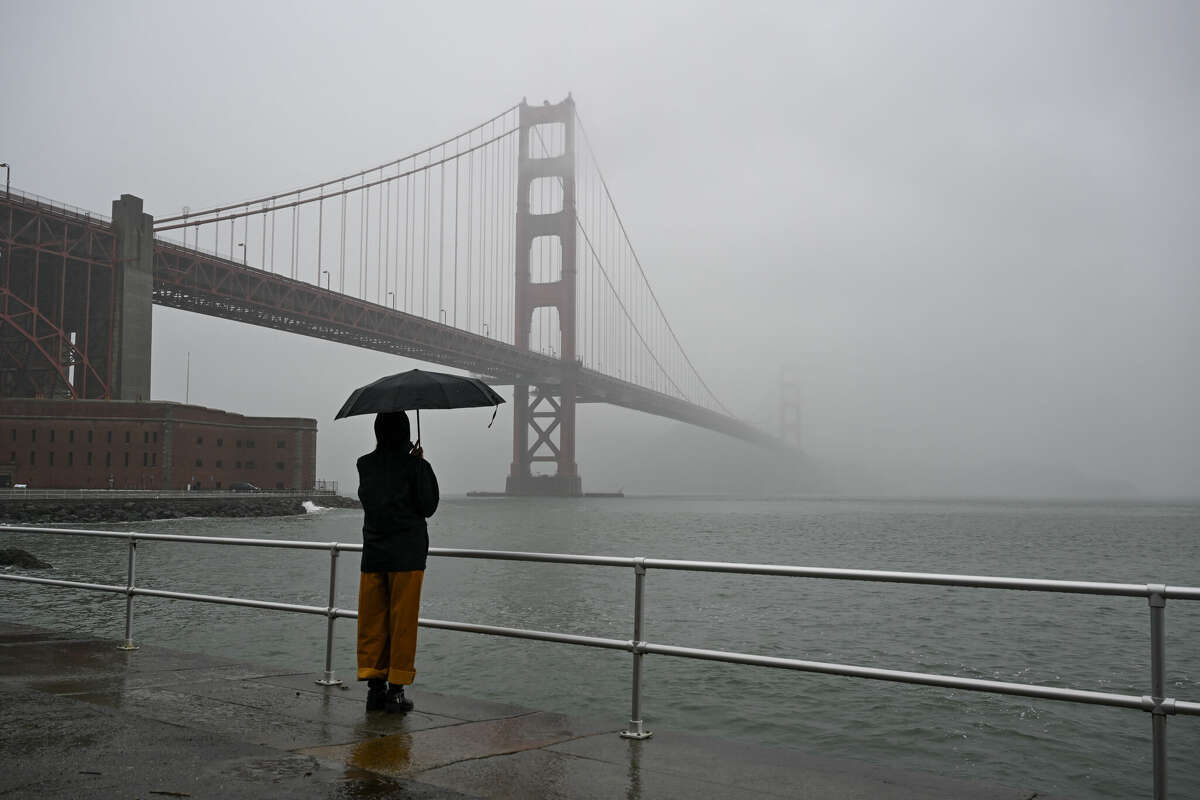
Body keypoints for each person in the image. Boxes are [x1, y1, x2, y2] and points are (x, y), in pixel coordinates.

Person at [355, 411, 439, 713]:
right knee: (401, 624)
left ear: (377, 431)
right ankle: (396, 691)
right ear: (405, 432)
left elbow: (374, 500)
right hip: (407, 555)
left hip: (374, 554)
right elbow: (428, 506)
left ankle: (373, 690)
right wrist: (417, 464)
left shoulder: (365, 465)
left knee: (373, 622)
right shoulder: (415, 465)